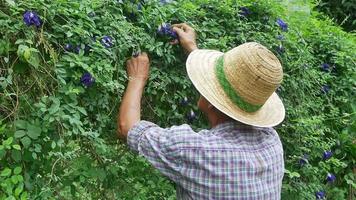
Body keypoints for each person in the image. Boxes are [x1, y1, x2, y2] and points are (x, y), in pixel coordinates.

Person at [117, 23, 285, 199]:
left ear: (213, 103)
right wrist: (192, 50)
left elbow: (127, 127)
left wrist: (137, 77)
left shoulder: (197, 150)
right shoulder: (271, 141)